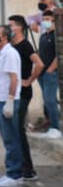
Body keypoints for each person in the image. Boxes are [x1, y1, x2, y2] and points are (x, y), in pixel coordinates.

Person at [8, 15, 43, 180]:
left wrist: (29, 80)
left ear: (20, 27)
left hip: (23, 93)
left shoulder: (25, 45)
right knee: (15, 130)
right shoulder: (11, 45)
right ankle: (20, 166)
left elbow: (40, 64)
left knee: (18, 130)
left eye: (12, 25)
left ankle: (28, 169)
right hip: (13, 92)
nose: (10, 28)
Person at [0, 26, 25, 187]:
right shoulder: (1, 53)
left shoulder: (10, 54)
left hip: (7, 100)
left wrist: (10, 100)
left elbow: (14, 79)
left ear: (4, 38)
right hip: (0, 98)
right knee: (7, 137)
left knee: (11, 138)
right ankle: (10, 171)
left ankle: (15, 174)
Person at [37, 9, 62, 139]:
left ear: (53, 20)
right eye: (44, 19)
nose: (45, 22)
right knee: (48, 101)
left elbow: (58, 55)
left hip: (50, 73)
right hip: (41, 74)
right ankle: (53, 125)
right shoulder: (43, 36)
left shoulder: (55, 35)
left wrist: (50, 70)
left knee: (50, 100)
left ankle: (55, 128)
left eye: (47, 19)